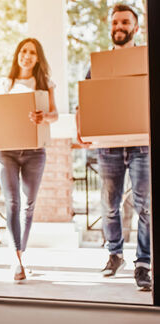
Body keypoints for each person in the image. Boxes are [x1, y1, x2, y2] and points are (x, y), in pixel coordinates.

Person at [77, 4, 151, 291]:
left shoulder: (144, 60)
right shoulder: (98, 64)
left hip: (141, 144)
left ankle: (143, 263)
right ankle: (114, 254)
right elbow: (84, 100)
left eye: (125, 22)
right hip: (108, 146)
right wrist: (81, 130)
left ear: (135, 27)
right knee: (109, 205)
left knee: (145, 207)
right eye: (115, 22)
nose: (119, 27)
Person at [0, 38, 58, 282]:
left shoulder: (44, 83)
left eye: (32, 52)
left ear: (38, 58)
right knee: (13, 203)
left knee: (28, 205)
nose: (26, 55)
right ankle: (16, 258)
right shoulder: (3, 84)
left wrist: (44, 117)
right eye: (23, 51)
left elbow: (54, 114)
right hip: (6, 152)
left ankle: (20, 253)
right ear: (17, 54)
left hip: (34, 152)